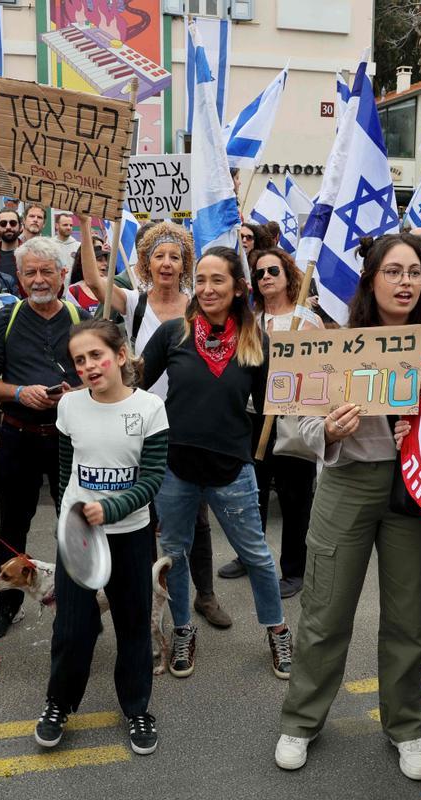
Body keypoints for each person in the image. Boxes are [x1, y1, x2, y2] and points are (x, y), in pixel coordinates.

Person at [276, 234, 421, 779]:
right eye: (393, 271)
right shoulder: (335, 342)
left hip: (414, 490)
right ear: (370, 280)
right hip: (346, 482)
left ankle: (406, 727)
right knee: (325, 611)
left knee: (409, 616)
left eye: (414, 272)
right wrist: (325, 429)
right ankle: (301, 720)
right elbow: (293, 420)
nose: (405, 282)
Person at [141, 246, 292, 679]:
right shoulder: (173, 333)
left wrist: (298, 381)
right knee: (175, 554)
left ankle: (277, 629)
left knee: (258, 557)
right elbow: (136, 384)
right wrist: (105, 361)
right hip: (174, 467)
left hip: (233, 469)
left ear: (238, 288)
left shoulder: (257, 341)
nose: (207, 289)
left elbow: (269, 407)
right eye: (201, 280)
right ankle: (184, 629)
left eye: (217, 280)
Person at [81, 220, 232, 626]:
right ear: (146, 262)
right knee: (144, 515)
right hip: (140, 423)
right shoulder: (134, 302)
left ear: (185, 264)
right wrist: (84, 223)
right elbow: (94, 280)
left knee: (195, 518)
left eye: (175, 257)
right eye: (158, 256)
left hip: (187, 424)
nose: (167, 263)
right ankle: (150, 589)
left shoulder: (198, 305)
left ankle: (205, 594)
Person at [34, 319, 167, 756]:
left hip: (129, 534)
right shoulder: (69, 408)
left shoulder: (149, 408)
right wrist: (69, 518)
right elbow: (63, 471)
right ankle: (58, 704)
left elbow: (151, 480)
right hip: (80, 537)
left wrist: (110, 508)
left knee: (132, 626)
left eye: (96, 355)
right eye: (79, 360)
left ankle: (136, 709)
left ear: (121, 355)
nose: (89, 366)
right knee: (72, 629)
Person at [0, 236, 87, 640]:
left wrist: (80, 392)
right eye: (30, 272)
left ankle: (74, 602)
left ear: (61, 274)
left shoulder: (80, 317)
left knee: (72, 523)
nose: (39, 280)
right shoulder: (4, 319)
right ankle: (7, 605)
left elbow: (103, 375)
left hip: (67, 440)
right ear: (19, 277)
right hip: (18, 437)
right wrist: (19, 393)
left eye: (46, 271)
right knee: (13, 524)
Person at [236, 247, 321, 599]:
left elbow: (320, 371)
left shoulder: (307, 321)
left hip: (292, 420)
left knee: (293, 498)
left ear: (287, 275)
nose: (266, 277)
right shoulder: (250, 321)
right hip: (254, 419)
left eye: (273, 270)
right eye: (259, 273)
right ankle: (249, 557)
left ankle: (293, 569)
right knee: (249, 494)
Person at [0, 209, 22, 289]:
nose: (8, 227)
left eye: (13, 223)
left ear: (20, 226)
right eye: (3, 223)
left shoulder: (30, 253)